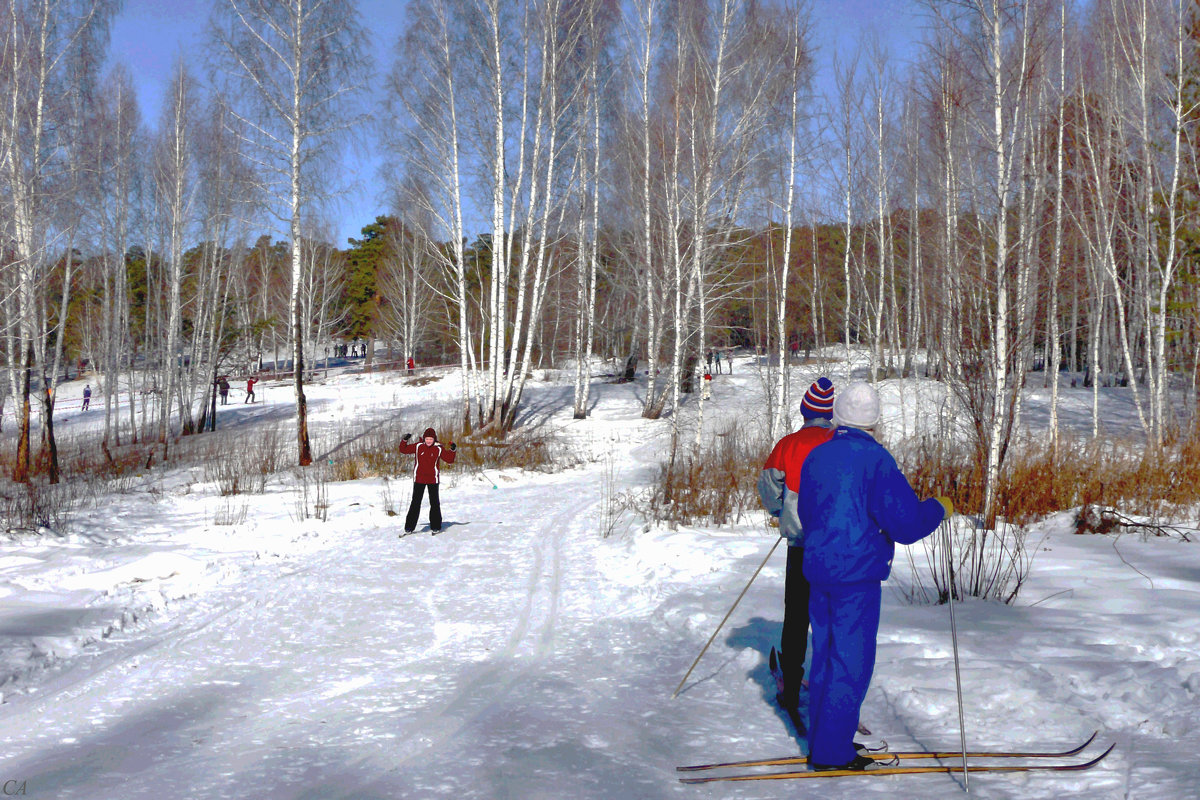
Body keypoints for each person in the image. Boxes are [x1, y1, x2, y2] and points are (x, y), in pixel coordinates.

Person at [797, 381, 951, 771]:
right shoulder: (876, 460)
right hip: (856, 574)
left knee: (826, 657)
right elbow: (905, 524)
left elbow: (807, 512)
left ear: (838, 416)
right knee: (850, 662)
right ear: (874, 421)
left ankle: (823, 741)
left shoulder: (817, 457)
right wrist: (938, 508)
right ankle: (832, 753)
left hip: (819, 570)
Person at [757, 377, 835, 716]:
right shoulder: (840, 442)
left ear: (804, 411)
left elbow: (768, 489)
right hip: (835, 546)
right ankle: (829, 686)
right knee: (829, 618)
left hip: (801, 545)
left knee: (796, 616)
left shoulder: (788, 444)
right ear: (829, 413)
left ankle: (790, 682)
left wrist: (783, 515)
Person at [399, 427, 456, 534]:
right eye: (427, 439)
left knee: (434, 503)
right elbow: (403, 449)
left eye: (431, 439)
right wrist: (405, 440)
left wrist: (453, 450)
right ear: (424, 439)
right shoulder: (418, 446)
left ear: (434, 439)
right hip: (419, 479)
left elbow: (449, 459)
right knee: (415, 503)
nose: (428, 441)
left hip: (433, 480)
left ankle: (436, 526)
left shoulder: (439, 448)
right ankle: (409, 527)